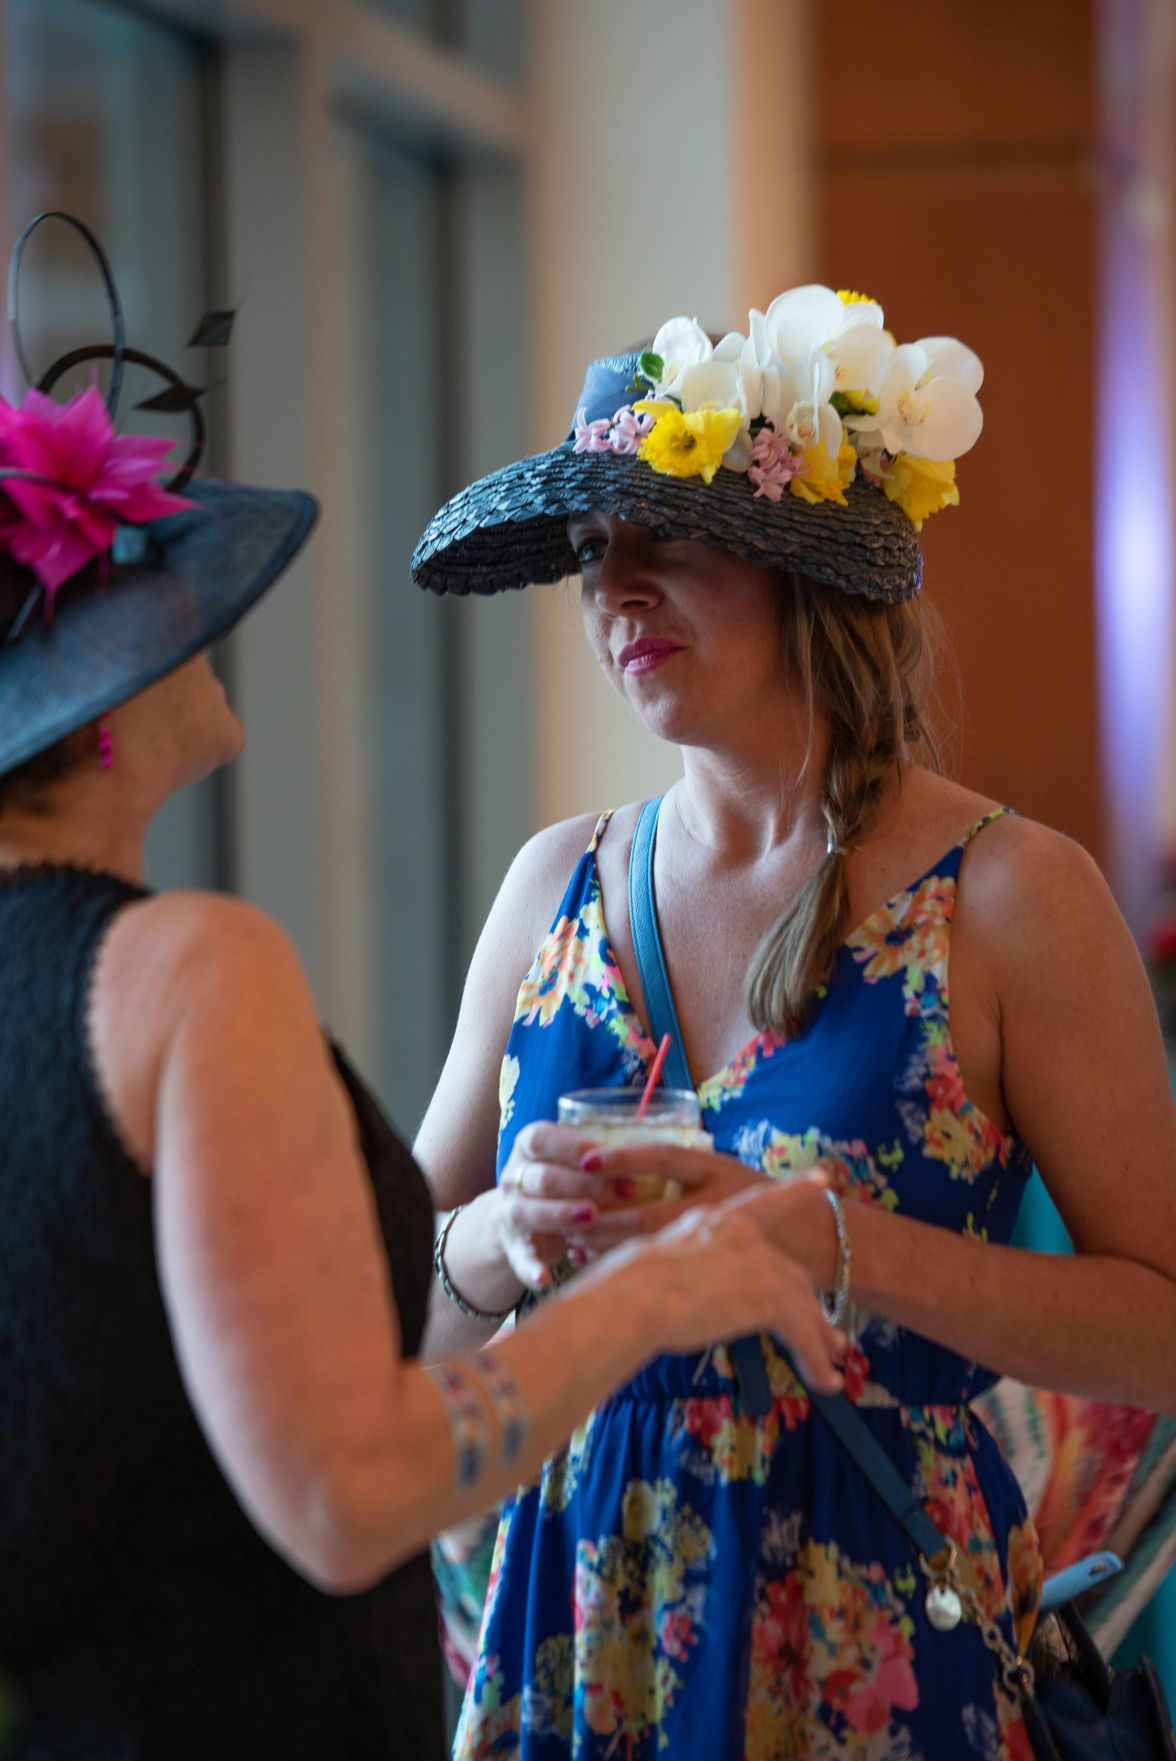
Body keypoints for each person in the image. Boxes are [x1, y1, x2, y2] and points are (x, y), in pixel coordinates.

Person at [0, 220, 846, 1761]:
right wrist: (658, 1290)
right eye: (148, 599)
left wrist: (488, 1252)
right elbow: (346, 1498)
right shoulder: (190, 970)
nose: (198, 623)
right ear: (95, 709)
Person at [411, 286, 1176, 1758]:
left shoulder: (1011, 897)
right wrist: (493, 1240)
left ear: (804, 564)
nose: (614, 592)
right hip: (577, 1620)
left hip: (874, 1629)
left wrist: (832, 1241)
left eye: (665, 540)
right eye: (589, 554)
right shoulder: (550, 886)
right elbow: (399, 1303)